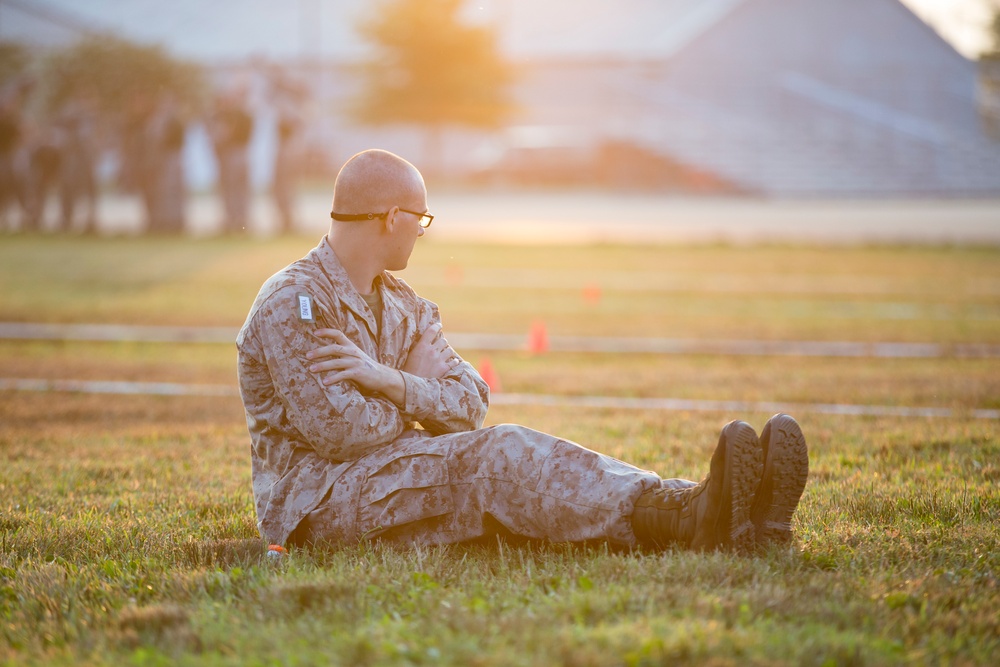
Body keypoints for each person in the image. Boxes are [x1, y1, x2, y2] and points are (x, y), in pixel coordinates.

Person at [236, 149, 809, 552]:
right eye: (421, 219)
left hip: (389, 475)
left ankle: (716, 510)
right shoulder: (296, 302)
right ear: (393, 218)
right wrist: (411, 387)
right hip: (320, 504)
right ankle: (690, 517)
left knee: (494, 447)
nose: (423, 232)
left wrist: (390, 382)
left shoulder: (408, 305)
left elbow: (469, 403)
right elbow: (339, 433)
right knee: (495, 457)